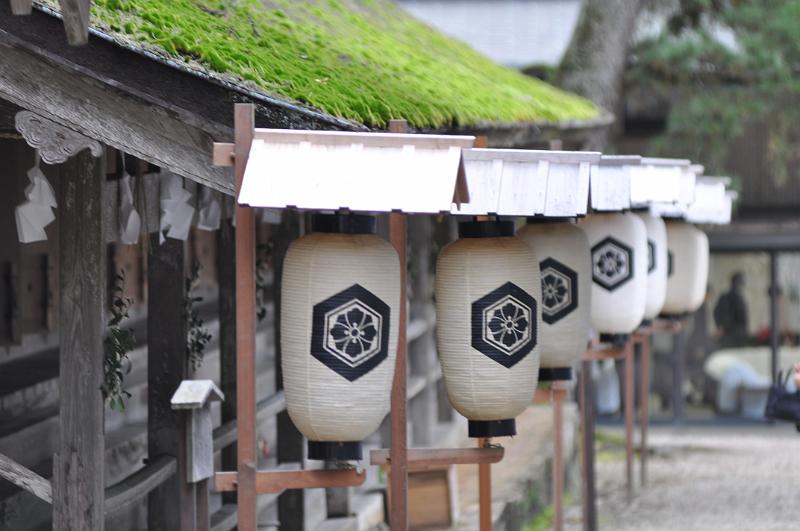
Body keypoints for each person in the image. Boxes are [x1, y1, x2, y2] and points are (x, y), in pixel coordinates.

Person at [713, 272, 749, 348]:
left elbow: (716, 313)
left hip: (729, 334)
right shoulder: (736, 297)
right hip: (734, 334)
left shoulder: (726, 296)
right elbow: (742, 317)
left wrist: (719, 326)